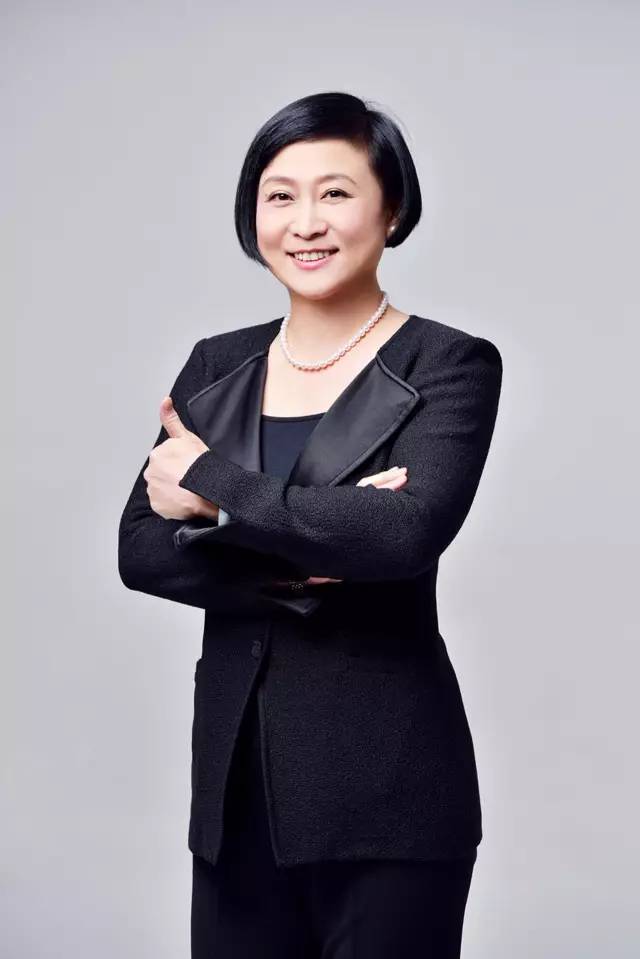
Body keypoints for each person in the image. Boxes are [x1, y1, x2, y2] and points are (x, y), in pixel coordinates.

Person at [118, 91, 503, 958]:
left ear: (391, 208)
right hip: (234, 798)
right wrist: (314, 542)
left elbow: (402, 536)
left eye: (335, 192)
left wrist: (213, 488)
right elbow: (139, 548)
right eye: (280, 195)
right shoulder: (217, 364)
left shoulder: (447, 363)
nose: (305, 222)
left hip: (389, 797)